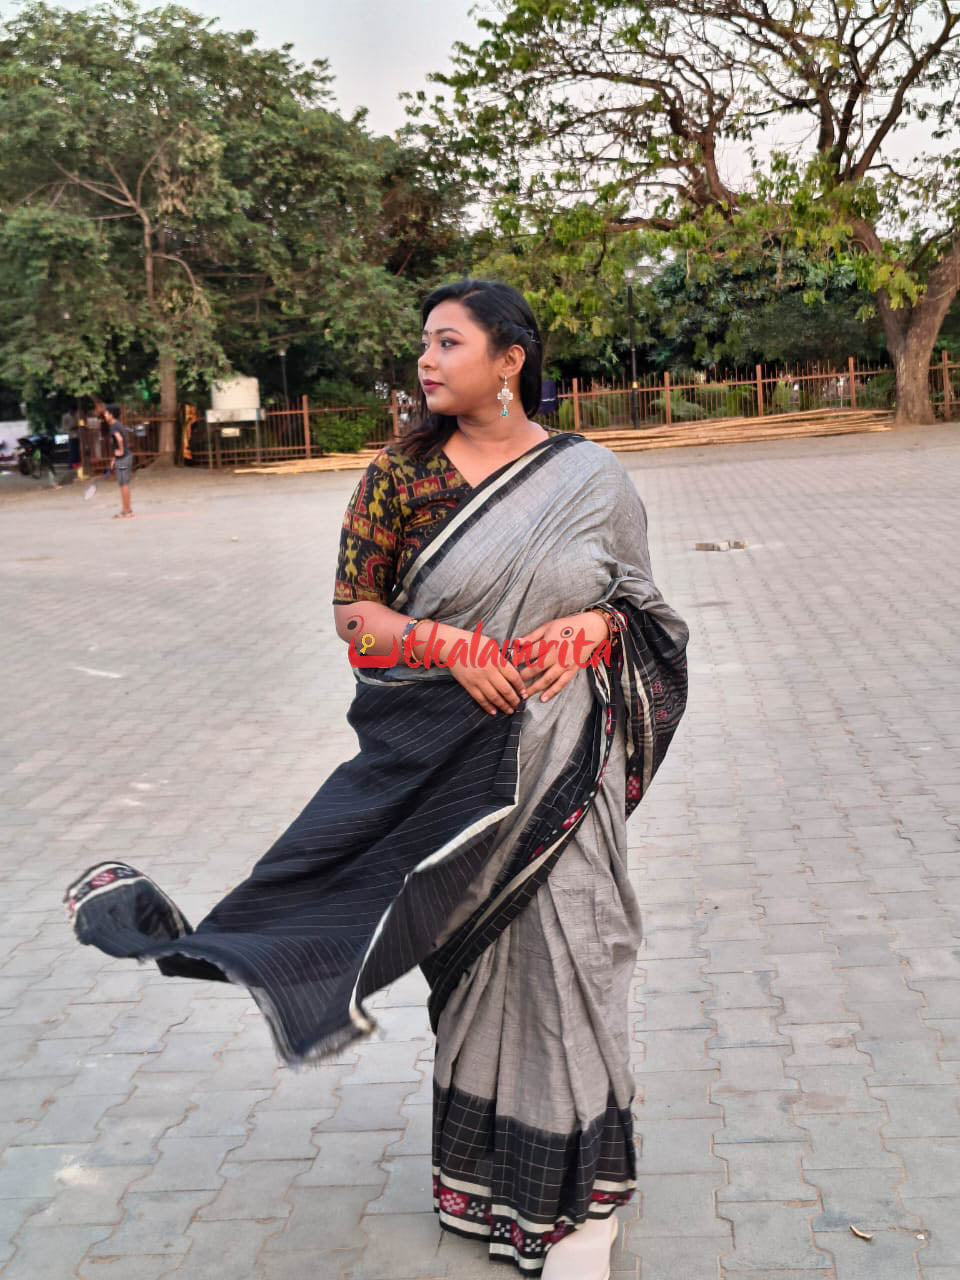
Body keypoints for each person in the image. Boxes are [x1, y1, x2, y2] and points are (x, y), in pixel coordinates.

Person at [64, 280, 689, 1278]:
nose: (427, 362)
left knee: (575, 949)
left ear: (511, 356)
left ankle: (583, 1201)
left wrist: (597, 625)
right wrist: (447, 642)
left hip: (569, 765)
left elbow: (643, 607)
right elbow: (356, 615)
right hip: (451, 770)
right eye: (424, 346)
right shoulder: (397, 481)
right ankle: (485, 1176)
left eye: (448, 343)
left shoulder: (595, 478)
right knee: (478, 962)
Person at [102, 403, 133, 517]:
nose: (104, 415)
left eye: (106, 413)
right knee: (123, 483)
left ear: (111, 414)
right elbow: (121, 441)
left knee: (123, 483)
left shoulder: (114, 426)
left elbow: (119, 440)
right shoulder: (117, 425)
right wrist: (115, 458)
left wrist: (120, 451)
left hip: (123, 459)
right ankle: (126, 510)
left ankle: (127, 511)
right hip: (123, 458)